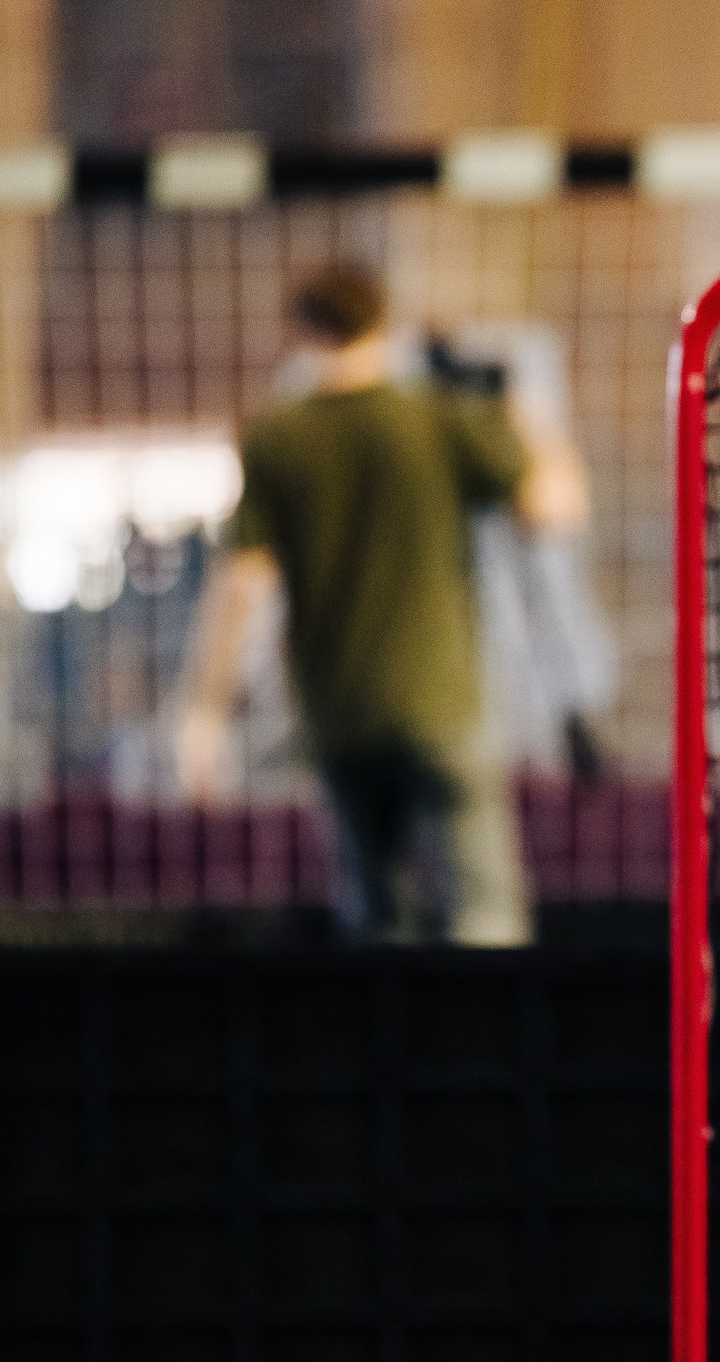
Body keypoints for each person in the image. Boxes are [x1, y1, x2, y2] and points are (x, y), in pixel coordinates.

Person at [178, 261, 586, 944]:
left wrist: (205, 712)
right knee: (486, 915)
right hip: (442, 705)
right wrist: (521, 405)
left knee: (374, 923)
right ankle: (484, 1047)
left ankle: (387, 1050)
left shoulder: (276, 438)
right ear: (382, 324)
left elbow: (238, 586)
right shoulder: (439, 418)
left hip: (336, 714)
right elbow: (555, 507)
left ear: (302, 332)